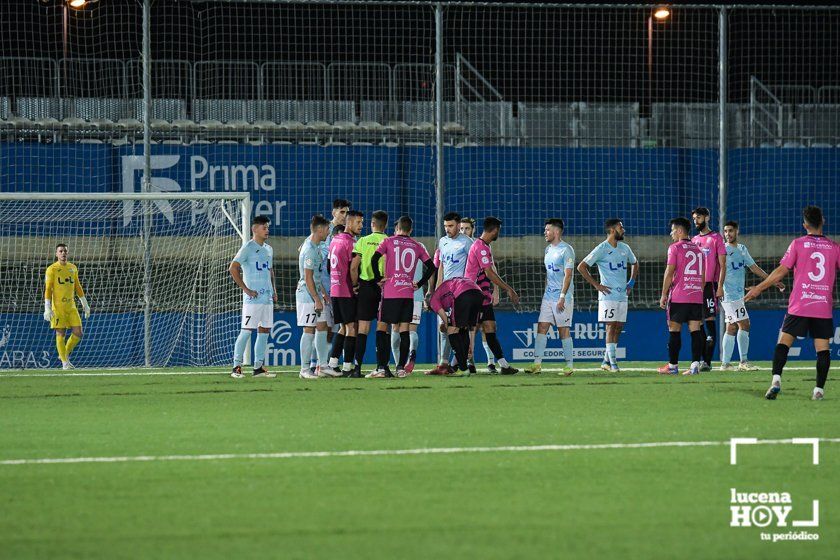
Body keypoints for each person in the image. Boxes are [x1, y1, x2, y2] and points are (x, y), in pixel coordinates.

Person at [746, 206, 840, 401]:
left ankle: (776, 380)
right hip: (822, 306)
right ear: (822, 221)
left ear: (804, 224)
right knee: (822, 350)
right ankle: (818, 391)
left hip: (800, 305)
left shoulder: (798, 244)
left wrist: (758, 288)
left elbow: (780, 271)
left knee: (783, 344)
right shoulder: (834, 248)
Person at [368, 216, 437, 378]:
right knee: (405, 329)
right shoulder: (416, 245)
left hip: (390, 292)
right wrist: (419, 284)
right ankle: (400, 368)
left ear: (397, 228)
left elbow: (374, 258)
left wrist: (378, 278)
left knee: (382, 327)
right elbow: (432, 267)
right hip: (407, 293)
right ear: (410, 230)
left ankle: (381, 367)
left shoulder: (388, 241)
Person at [719, 221, 784, 371]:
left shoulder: (742, 249)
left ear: (737, 231)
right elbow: (718, 271)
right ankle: (743, 362)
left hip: (737, 294)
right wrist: (718, 288)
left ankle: (725, 364)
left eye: (730, 231)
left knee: (731, 326)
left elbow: (754, 268)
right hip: (729, 294)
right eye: (725, 231)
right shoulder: (722, 250)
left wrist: (772, 281)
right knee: (745, 323)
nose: (727, 234)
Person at [578, 219, 639, 372]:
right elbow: (581, 267)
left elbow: (635, 263)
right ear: (612, 230)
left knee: (618, 327)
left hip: (622, 295)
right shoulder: (602, 248)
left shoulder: (625, 248)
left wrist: (631, 282)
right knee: (610, 326)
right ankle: (613, 364)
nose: (623, 229)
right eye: (620, 227)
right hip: (608, 295)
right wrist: (596, 285)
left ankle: (605, 361)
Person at [465, 216, 520, 375]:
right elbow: (489, 272)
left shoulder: (484, 246)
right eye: (499, 231)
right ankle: (464, 363)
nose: (499, 234)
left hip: (482, 296)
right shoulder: (481, 247)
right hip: (474, 295)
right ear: (495, 230)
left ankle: (503, 365)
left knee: (490, 327)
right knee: (472, 330)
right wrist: (508, 289)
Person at [425, 212, 474, 375]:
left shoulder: (467, 242)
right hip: (445, 291)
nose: (447, 229)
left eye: (451, 226)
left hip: (460, 291)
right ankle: (444, 364)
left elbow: (474, 266)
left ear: (458, 225)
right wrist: (434, 291)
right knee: (443, 327)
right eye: (445, 226)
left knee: (457, 327)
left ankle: (458, 364)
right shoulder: (443, 242)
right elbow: (441, 268)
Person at [525, 219, 576, 376]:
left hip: (562, 298)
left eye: (547, 230)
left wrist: (562, 296)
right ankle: (537, 364)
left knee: (563, 331)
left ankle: (569, 366)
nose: (545, 232)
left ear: (557, 231)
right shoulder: (547, 249)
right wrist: (546, 293)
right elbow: (548, 274)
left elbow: (568, 276)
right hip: (548, 297)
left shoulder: (566, 250)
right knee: (542, 327)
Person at [657, 217, 706, 376]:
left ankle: (672, 366)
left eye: (672, 230)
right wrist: (696, 290)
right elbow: (703, 277)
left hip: (679, 296)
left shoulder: (674, 248)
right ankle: (694, 365)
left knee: (674, 329)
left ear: (679, 231)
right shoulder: (699, 249)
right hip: (696, 296)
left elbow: (669, 272)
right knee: (695, 330)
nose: (671, 233)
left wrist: (664, 294)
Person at [230, 215, 277, 379]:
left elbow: (270, 271)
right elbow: (233, 268)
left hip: (267, 298)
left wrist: (274, 290)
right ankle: (236, 367)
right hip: (253, 299)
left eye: (268, 227)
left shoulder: (269, 249)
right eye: (264, 227)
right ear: (254, 229)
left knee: (264, 331)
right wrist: (247, 290)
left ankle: (258, 367)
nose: (267, 230)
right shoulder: (247, 248)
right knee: (246, 330)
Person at [295, 214, 341, 379]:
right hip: (306, 295)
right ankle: (304, 369)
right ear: (320, 230)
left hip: (315, 292)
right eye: (327, 229)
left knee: (322, 326)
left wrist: (322, 293)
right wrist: (316, 298)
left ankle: (322, 366)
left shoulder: (315, 247)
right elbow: (307, 278)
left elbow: (315, 276)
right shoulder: (309, 250)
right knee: (309, 329)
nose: (329, 232)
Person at [350, 210, 389, 376]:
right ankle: (382, 367)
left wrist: (354, 285)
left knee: (363, 328)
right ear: (385, 225)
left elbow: (353, 267)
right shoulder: (389, 241)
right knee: (382, 328)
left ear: (372, 224)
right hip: (384, 287)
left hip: (366, 287)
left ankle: (357, 368)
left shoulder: (362, 241)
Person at [459, 216, 498, 373]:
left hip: (482, 292)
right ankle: (469, 361)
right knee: (469, 328)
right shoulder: (453, 245)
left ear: (473, 229)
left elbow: (492, 268)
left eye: (467, 228)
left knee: (486, 327)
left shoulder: (481, 245)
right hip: (465, 292)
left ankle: (490, 362)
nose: (463, 231)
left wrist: (496, 290)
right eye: (461, 228)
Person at [327, 210, 364, 376]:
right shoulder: (352, 243)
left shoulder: (334, 240)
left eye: (362, 223)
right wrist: (355, 285)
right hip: (346, 290)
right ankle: (348, 368)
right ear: (349, 223)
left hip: (335, 288)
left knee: (342, 327)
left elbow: (329, 266)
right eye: (358, 223)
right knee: (351, 328)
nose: (361, 226)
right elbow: (353, 268)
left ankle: (332, 363)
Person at [43, 243, 90, 370]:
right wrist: (47, 307)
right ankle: (65, 363)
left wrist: (85, 304)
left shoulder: (73, 268)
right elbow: (48, 289)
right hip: (58, 307)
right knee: (60, 333)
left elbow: (78, 286)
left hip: (71, 306)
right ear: (56, 254)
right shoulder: (51, 269)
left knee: (78, 332)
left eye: (65, 251)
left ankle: (64, 354)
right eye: (60, 251)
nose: (63, 253)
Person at [691, 207, 727, 370]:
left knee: (710, 321)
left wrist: (719, 287)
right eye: (694, 218)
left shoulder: (716, 238)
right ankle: (700, 360)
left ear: (707, 218)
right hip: (694, 287)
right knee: (696, 324)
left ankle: (708, 362)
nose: (695, 221)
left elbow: (722, 265)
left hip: (710, 286)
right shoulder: (693, 240)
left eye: (698, 217)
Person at [428, 277, 485, 373]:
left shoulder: (433, 301)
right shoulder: (443, 291)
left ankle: (463, 367)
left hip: (463, 293)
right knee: (464, 328)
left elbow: (447, 322)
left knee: (452, 330)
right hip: (478, 294)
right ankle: (466, 361)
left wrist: (446, 326)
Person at [319, 199, 351, 347]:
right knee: (322, 327)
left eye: (347, 212)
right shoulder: (324, 230)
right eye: (342, 212)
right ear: (333, 212)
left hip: (341, 286)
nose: (344, 215)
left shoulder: (349, 233)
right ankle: (316, 363)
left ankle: (327, 362)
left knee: (336, 327)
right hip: (324, 285)